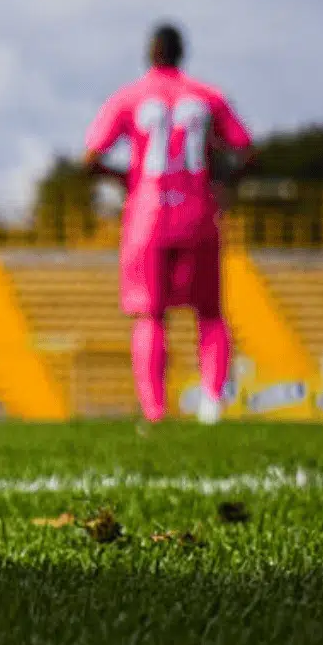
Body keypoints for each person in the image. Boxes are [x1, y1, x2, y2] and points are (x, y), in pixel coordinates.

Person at [83, 23, 254, 424]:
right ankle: (212, 404)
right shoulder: (209, 96)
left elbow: (90, 158)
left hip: (147, 217)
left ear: (150, 54)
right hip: (198, 213)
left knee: (150, 316)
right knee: (210, 313)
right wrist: (220, 183)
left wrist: (126, 179)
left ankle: (155, 410)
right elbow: (247, 152)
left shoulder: (129, 97)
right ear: (182, 54)